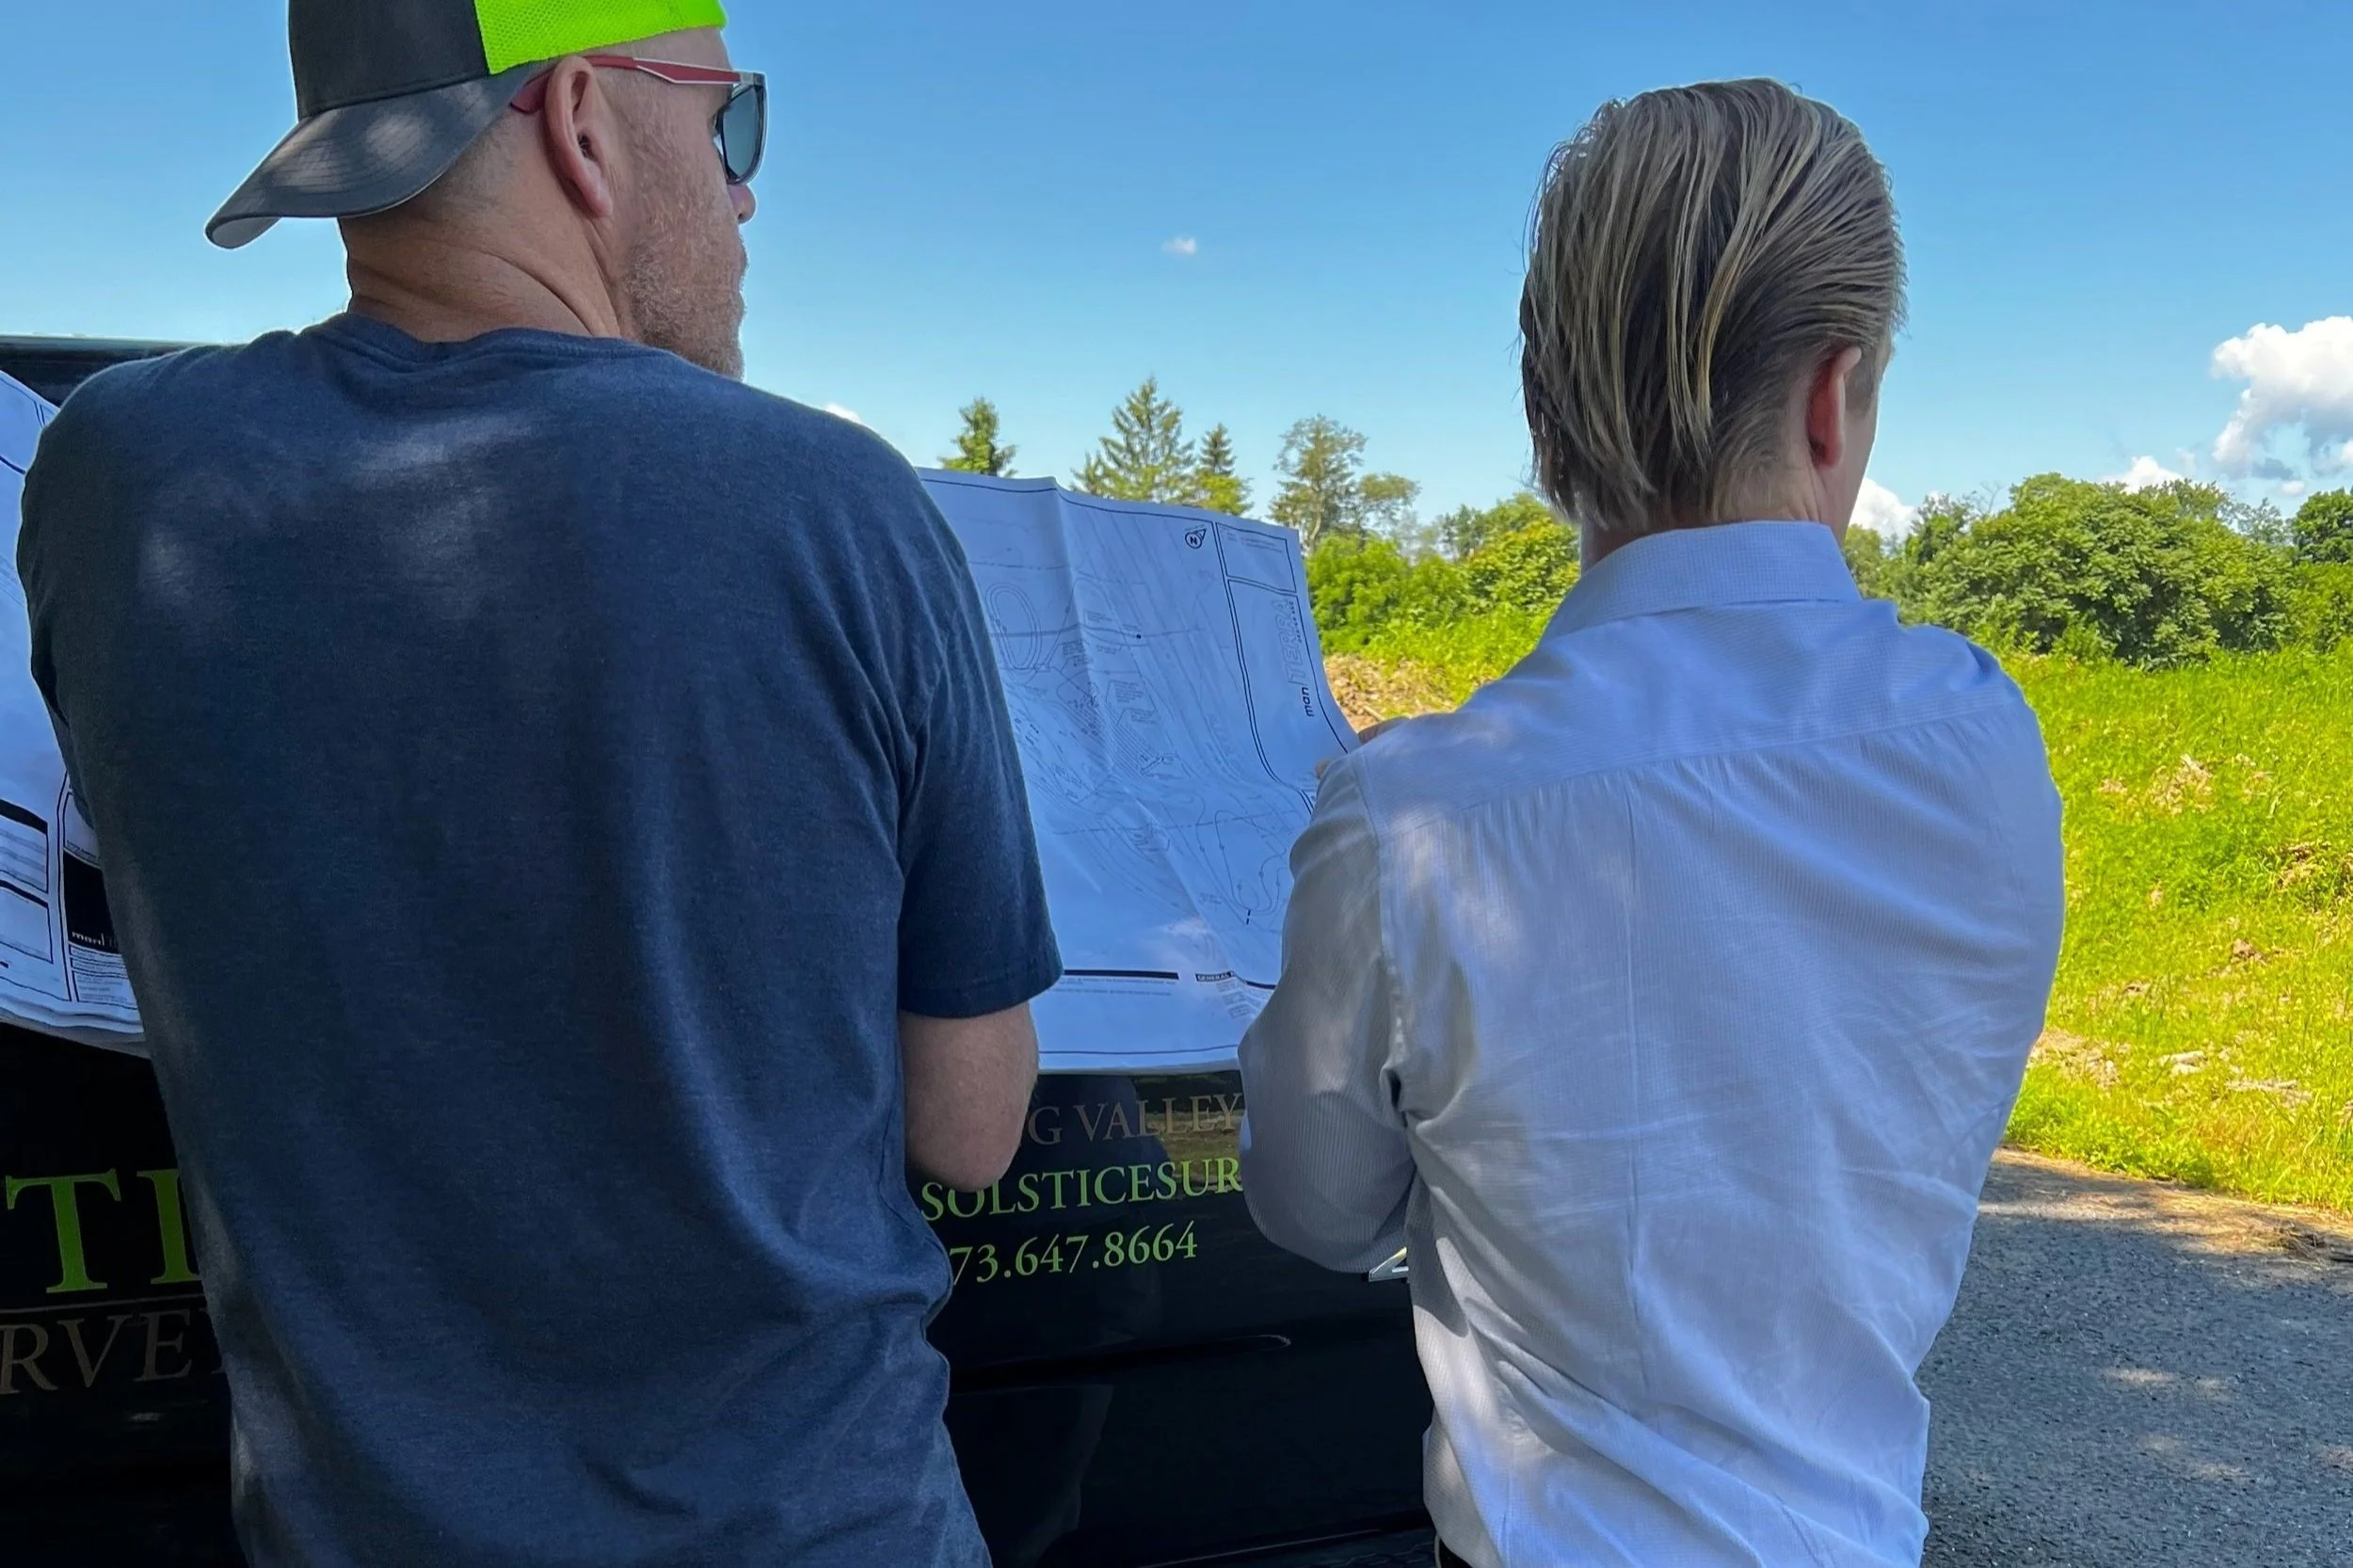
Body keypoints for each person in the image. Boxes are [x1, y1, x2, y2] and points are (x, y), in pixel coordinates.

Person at [18, 3, 1060, 1564]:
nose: (748, 190)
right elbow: (969, 1123)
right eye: (734, 126)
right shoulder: (832, 503)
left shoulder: (109, 478)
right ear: (581, 117)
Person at [1239, 79, 2065, 1568]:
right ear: (1834, 394)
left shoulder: (1413, 811)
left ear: (1547, 421)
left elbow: (1312, 1205)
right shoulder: (1984, 738)